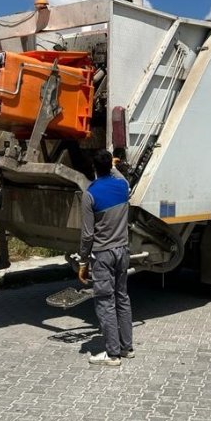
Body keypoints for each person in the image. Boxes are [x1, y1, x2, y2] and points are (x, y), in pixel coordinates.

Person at [79, 149, 133, 367]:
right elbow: (120, 176)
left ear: (94, 168)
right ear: (109, 166)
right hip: (123, 251)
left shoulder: (90, 194)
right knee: (122, 298)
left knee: (105, 302)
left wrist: (83, 261)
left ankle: (112, 355)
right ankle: (127, 347)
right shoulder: (122, 186)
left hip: (103, 255)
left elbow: (87, 234)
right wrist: (113, 165)